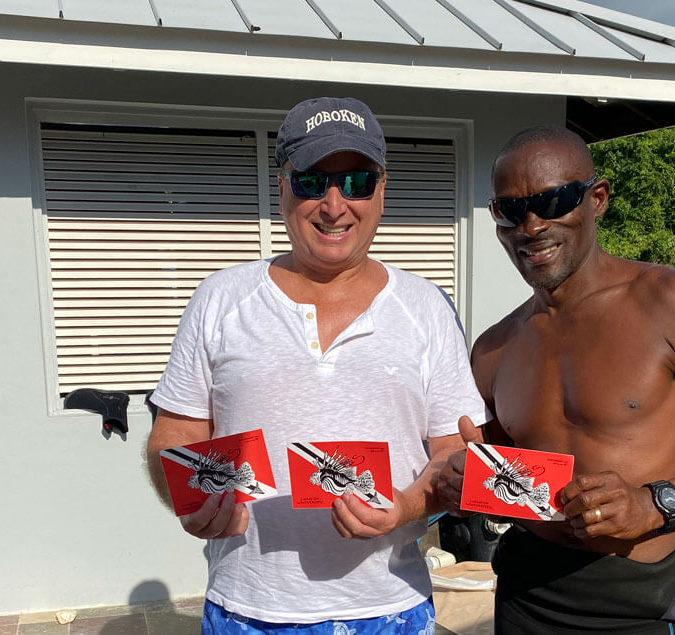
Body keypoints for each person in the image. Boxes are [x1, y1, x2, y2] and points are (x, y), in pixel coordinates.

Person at [145, 96, 488, 634]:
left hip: (390, 608)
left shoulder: (427, 307)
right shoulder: (219, 298)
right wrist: (187, 497)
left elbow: (449, 454)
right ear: (282, 186)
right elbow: (174, 434)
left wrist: (404, 506)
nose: (334, 205)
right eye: (312, 181)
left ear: (382, 190)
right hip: (247, 609)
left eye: (356, 182)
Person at [438, 126, 675, 634]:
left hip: (639, 601)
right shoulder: (495, 346)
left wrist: (657, 503)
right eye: (511, 210)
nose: (531, 226)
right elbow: (506, 459)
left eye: (553, 201)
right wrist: (466, 475)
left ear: (596, 199)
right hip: (525, 594)